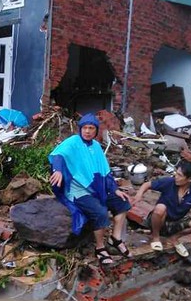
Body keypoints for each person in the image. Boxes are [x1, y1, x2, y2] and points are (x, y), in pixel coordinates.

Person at [49, 113, 132, 265]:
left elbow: (105, 172)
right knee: (100, 213)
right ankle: (100, 248)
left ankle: (116, 238)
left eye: (91, 128)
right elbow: (58, 155)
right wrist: (58, 170)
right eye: (85, 128)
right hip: (78, 190)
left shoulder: (96, 147)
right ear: (80, 129)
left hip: (96, 188)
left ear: (96, 131)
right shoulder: (73, 142)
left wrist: (115, 190)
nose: (87, 131)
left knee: (122, 203)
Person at [132, 161, 191, 254]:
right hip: (157, 221)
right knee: (160, 208)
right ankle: (155, 237)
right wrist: (139, 195)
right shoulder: (169, 182)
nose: (176, 176)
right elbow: (147, 184)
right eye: (176, 173)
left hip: (174, 224)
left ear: (189, 179)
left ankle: (174, 238)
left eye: (180, 175)